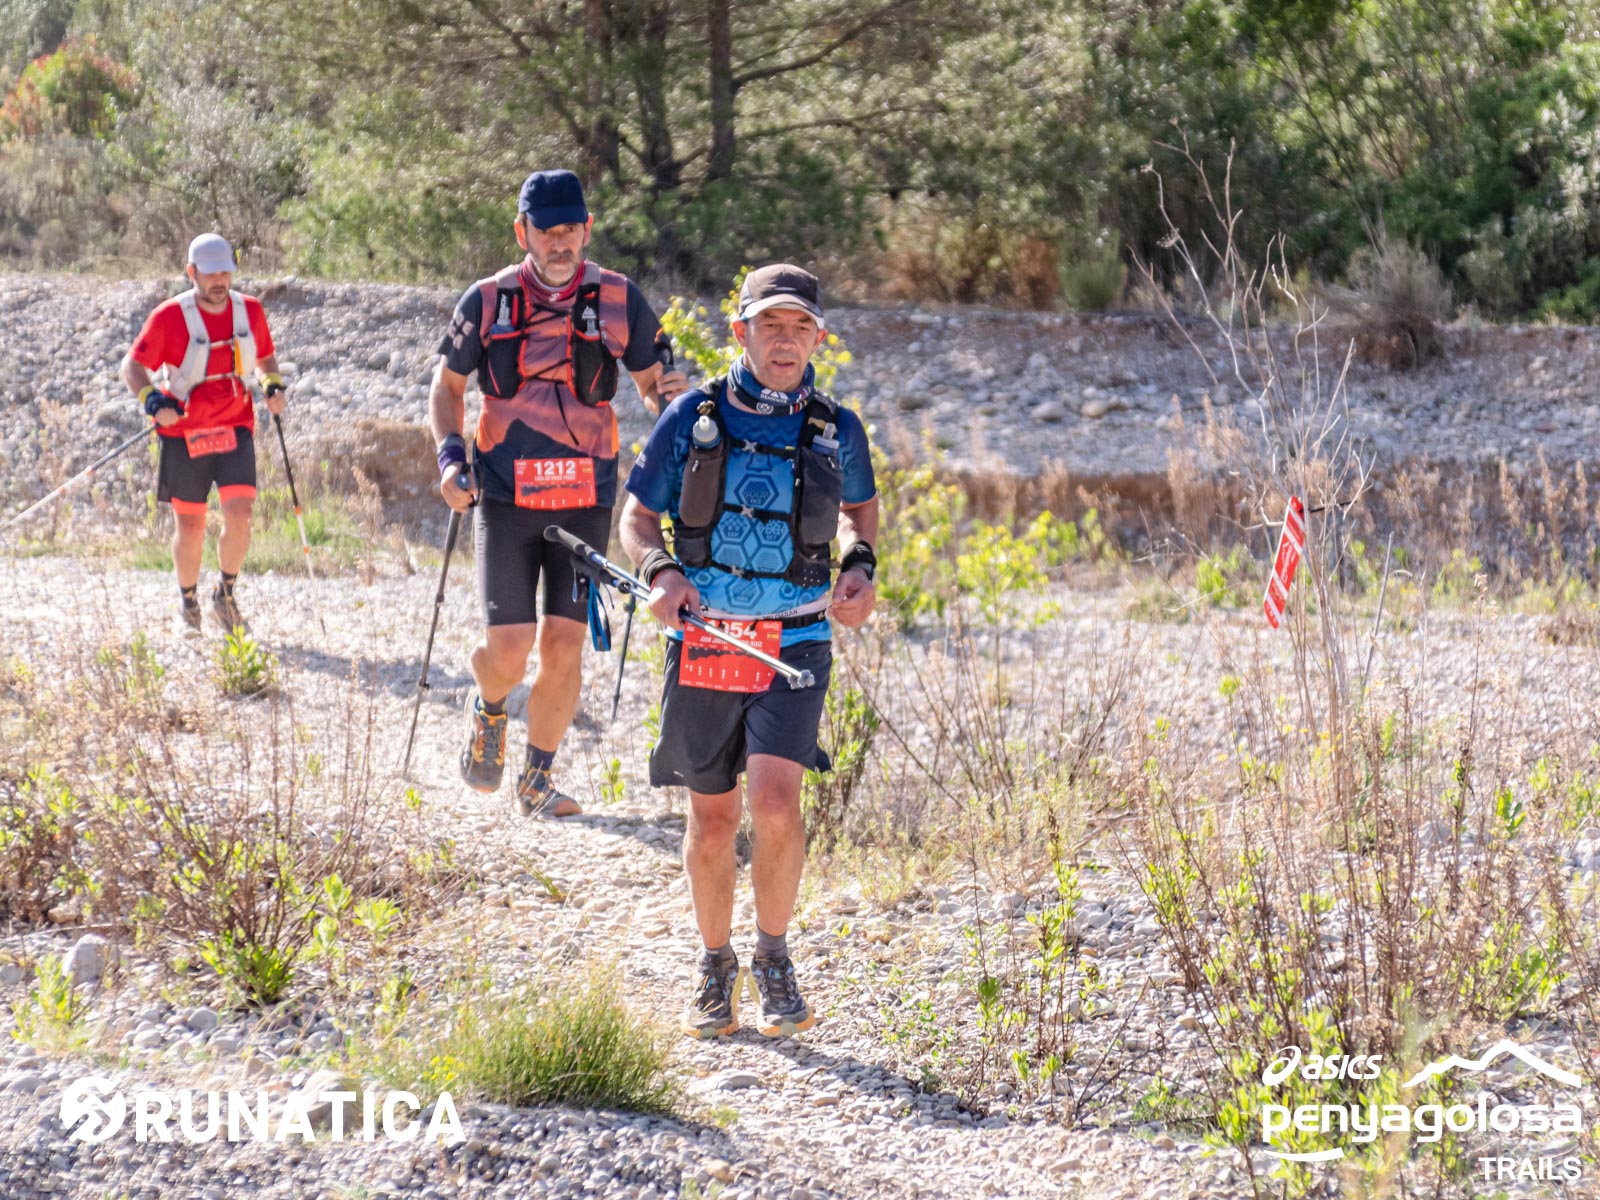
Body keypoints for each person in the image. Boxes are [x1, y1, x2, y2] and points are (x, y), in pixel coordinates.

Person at [620, 264, 879, 1038]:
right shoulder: (691, 416)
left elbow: (860, 513)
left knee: (773, 803)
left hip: (797, 637)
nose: (786, 340)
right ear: (741, 332)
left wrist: (860, 567)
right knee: (712, 820)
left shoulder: (836, 427)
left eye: (801, 327)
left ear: (819, 338)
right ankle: (714, 963)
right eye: (771, 325)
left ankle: (772, 955)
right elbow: (636, 519)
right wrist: (661, 572)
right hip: (709, 637)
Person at [430, 169, 687, 817]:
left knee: (564, 645)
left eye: (570, 229)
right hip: (505, 496)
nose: (559, 242)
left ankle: (536, 781)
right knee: (509, 648)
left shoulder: (619, 299)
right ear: (523, 233)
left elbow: (654, 383)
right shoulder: (487, 300)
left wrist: (671, 404)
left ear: (587, 229)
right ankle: (489, 706)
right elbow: (447, 388)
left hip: (583, 496)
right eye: (546, 231)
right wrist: (450, 460)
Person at [120, 233, 288, 633]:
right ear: (191, 272)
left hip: (235, 425)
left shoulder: (249, 310)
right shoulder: (169, 317)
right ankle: (188, 603)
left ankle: (224, 597)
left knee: (241, 514)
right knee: (191, 524)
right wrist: (152, 401)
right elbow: (132, 367)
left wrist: (272, 386)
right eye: (210, 274)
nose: (219, 281)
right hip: (184, 432)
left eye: (225, 273)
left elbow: (265, 357)